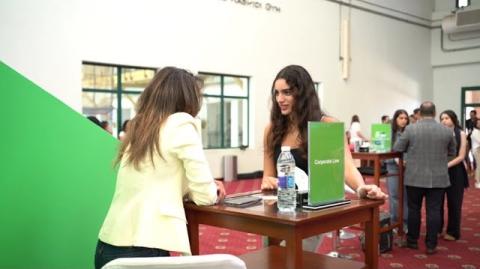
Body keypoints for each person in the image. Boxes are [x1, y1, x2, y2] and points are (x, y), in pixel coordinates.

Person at [94, 67, 226, 269]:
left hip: (107, 249)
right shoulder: (181, 123)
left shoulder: (140, 128)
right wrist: (212, 188)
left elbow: (156, 179)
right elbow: (205, 197)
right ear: (188, 99)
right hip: (144, 250)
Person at [261, 65, 387, 251]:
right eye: (277, 93)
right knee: (270, 258)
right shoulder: (271, 130)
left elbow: (346, 168)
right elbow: (268, 177)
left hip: (312, 212)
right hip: (279, 209)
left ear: (302, 93)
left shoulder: (326, 125)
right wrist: (270, 182)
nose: (280, 99)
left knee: (296, 260)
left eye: (287, 92)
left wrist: (361, 188)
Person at [394, 101, 456, 255]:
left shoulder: (410, 129)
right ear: (435, 113)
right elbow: (452, 151)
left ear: (419, 113)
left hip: (414, 176)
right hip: (438, 177)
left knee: (414, 209)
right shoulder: (447, 131)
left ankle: (412, 241)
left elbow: (397, 148)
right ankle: (431, 244)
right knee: (434, 211)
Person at [439, 110, 469, 241]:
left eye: (447, 118)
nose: (444, 121)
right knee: (437, 202)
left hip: (456, 171)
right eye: (442, 118)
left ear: (453, 119)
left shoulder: (460, 133)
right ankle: (437, 228)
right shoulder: (438, 133)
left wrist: (445, 166)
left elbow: (461, 156)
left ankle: (453, 231)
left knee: (454, 203)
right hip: (439, 172)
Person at [386, 109, 409, 232]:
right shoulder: (390, 132)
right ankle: (394, 221)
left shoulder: (409, 131)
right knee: (394, 195)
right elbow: (386, 148)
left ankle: (405, 222)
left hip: (407, 167)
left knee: (405, 196)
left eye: (405, 118)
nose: (404, 121)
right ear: (395, 119)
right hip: (392, 166)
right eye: (401, 118)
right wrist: (395, 159)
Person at [470, 119, 480, 189]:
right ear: (476, 124)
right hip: (477, 150)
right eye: (479, 123)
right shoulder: (475, 132)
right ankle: (477, 182)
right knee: (479, 166)